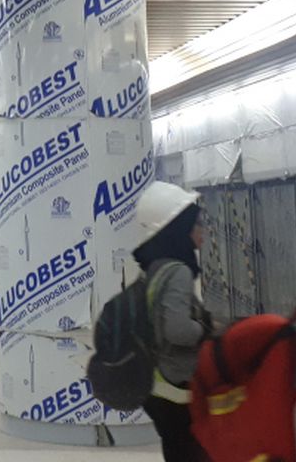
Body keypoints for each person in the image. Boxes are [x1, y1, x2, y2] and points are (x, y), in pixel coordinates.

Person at [132, 181, 211, 462]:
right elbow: (177, 329)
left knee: (175, 449)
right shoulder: (177, 272)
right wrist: (204, 330)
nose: (202, 229)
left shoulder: (154, 268)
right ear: (180, 228)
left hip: (156, 385)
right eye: (197, 222)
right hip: (177, 384)